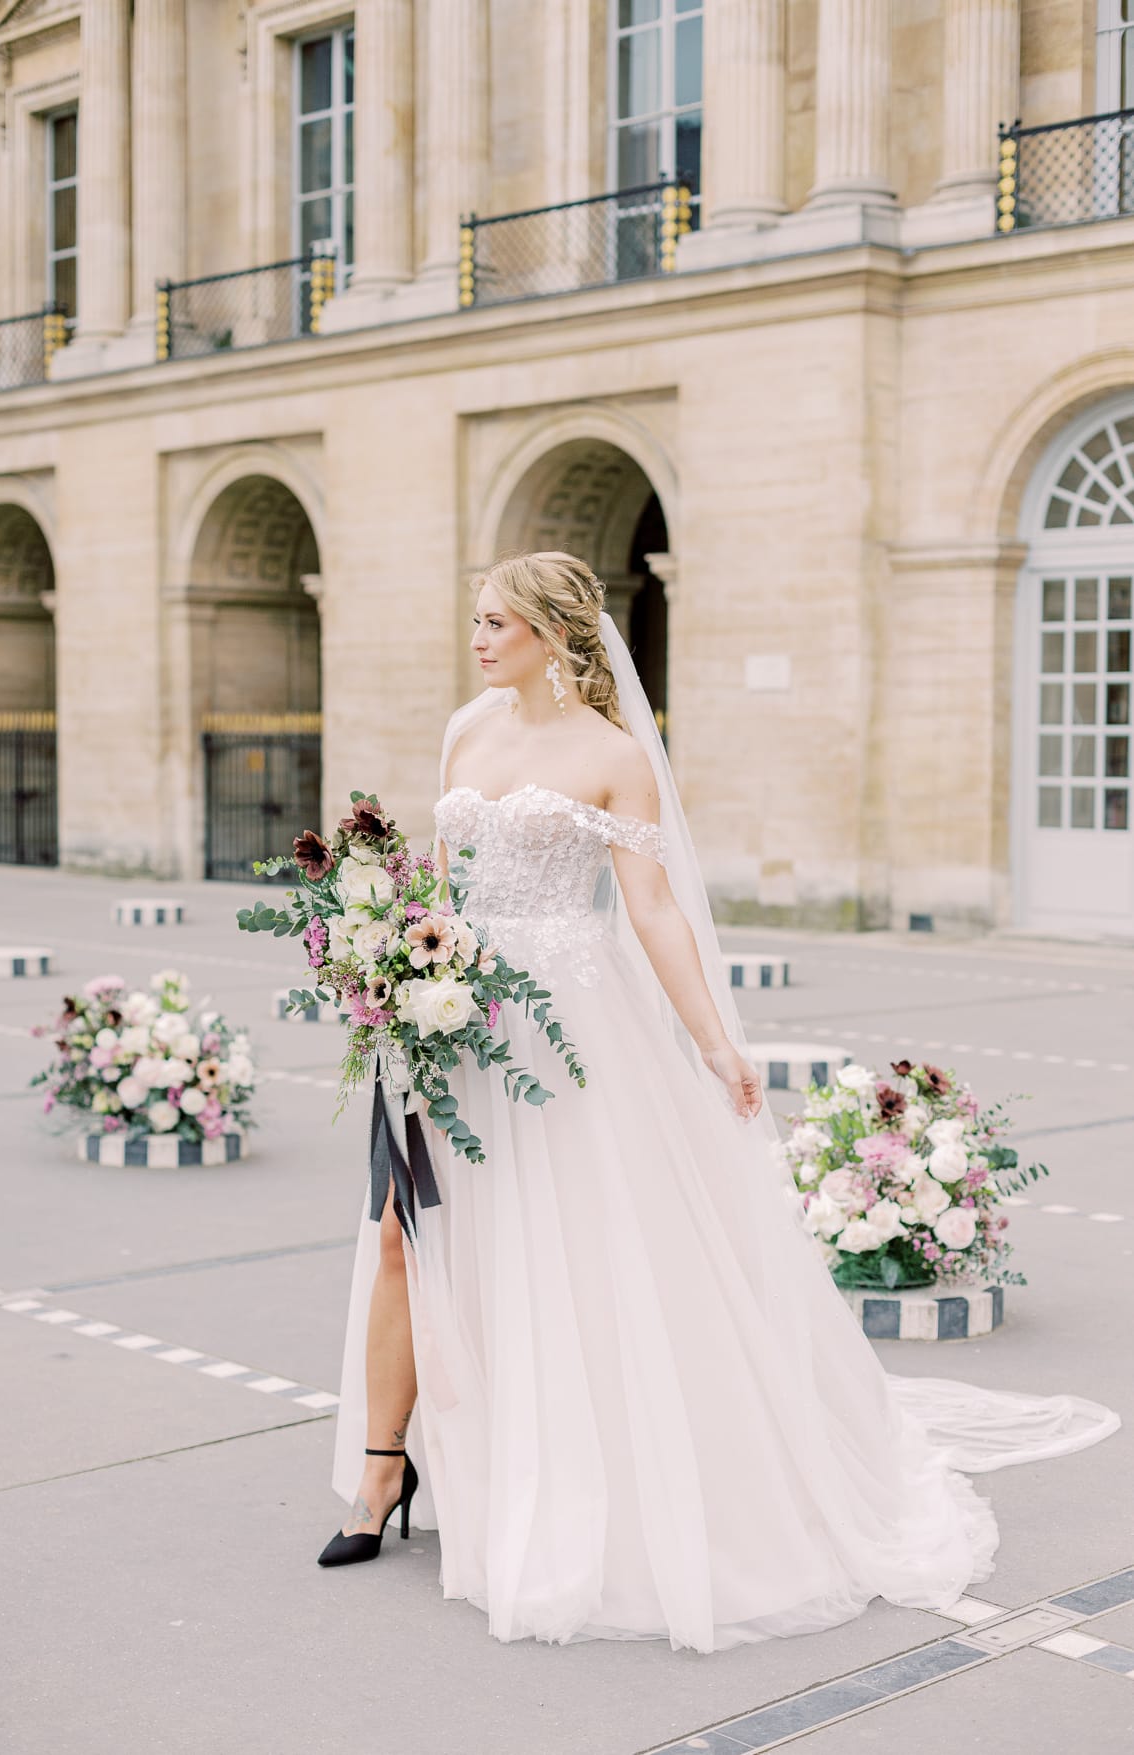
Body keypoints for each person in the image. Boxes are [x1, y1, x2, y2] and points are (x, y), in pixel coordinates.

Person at [318, 551, 1118, 1653]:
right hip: (448, 1020)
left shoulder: (613, 756)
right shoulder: (466, 731)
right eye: (476, 621)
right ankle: (380, 1466)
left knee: (566, 1250)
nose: (479, 639)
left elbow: (649, 909)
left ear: (554, 634)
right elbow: (436, 885)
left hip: (566, 1034)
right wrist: (389, 974)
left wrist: (714, 1042)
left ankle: (568, 1472)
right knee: (407, 1241)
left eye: (497, 623)